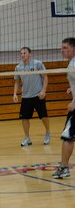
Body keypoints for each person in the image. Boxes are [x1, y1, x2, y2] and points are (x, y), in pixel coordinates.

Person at [13, 47, 51, 147]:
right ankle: (27, 138)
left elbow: (45, 77)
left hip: (38, 95)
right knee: (24, 118)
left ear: (29, 54)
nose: (22, 55)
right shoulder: (18, 67)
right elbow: (17, 82)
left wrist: (43, 90)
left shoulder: (37, 64)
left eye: (24, 53)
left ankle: (47, 133)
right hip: (26, 96)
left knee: (43, 116)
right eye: (21, 53)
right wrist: (15, 94)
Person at [52, 37, 75, 179]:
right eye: (62, 47)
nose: (62, 50)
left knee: (68, 137)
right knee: (69, 137)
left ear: (74, 49)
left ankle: (64, 168)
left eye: (65, 47)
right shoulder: (71, 64)